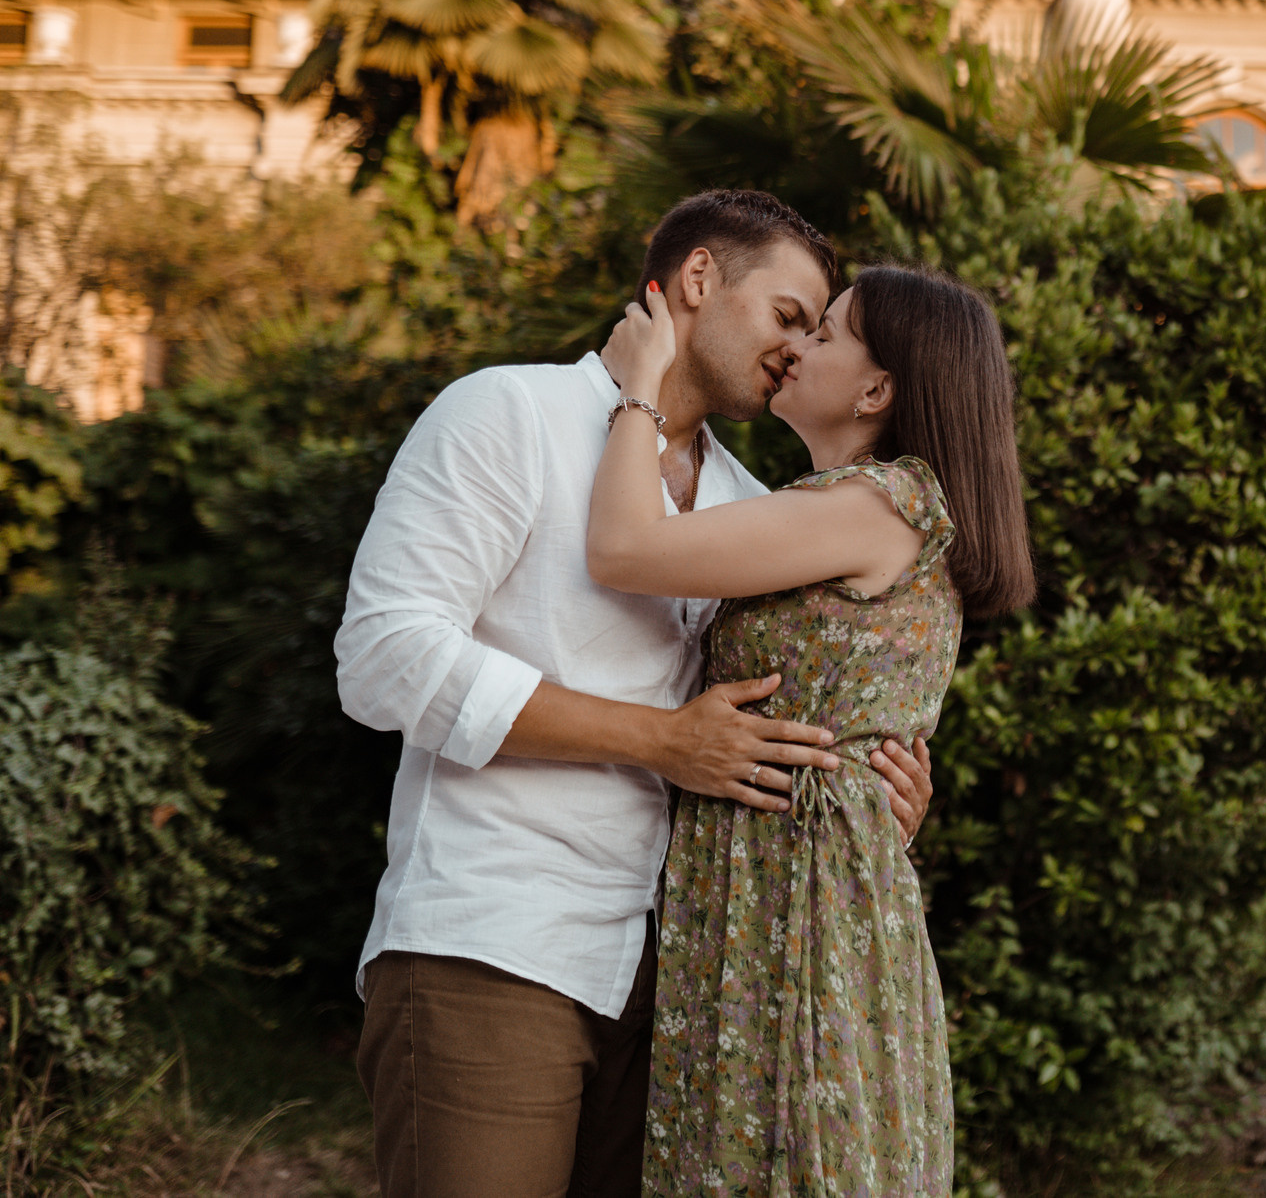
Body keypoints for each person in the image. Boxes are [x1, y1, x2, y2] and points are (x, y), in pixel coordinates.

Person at [336, 190, 937, 1198]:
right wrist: (661, 741)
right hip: (497, 944)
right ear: (699, 280)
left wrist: (870, 800)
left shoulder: (756, 507)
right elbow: (386, 655)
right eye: (788, 316)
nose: (796, 350)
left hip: (685, 982)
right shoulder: (507, 412)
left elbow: (765, 722)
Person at [588, 260, 1034, 1197]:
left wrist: (639, 388)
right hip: (784, 878)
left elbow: (624, 548)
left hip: (798, 901)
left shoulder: (877, 504)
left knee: (794, 1154)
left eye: (826, 333)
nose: (796, 346)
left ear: (877, 388)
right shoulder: (847, 507)